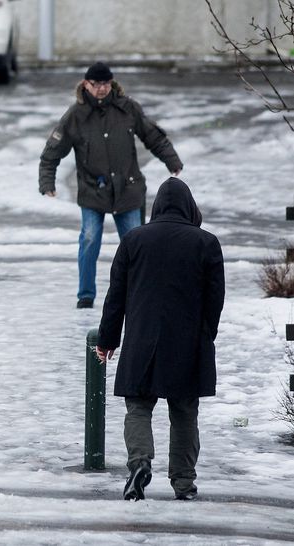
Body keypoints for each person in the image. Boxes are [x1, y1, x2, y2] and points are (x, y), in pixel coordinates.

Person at [95, 177, 225, 501]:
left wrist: (107, 340)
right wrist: (206, 334)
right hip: (187, 342)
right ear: (190, 207)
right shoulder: (206, 243)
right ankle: (184, 483)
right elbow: (215, 298)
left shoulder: (133, 240)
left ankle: (139, 463)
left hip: (142, 340)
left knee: (138, 407)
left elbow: (116, 296)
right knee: (184, 413)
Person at [38, 61, 184, 309]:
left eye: (106, 83)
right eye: (96, 84)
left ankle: (138, 292)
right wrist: (47, 182)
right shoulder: (76, 115)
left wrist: (172, 160)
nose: (102, 89)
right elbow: (53, 151)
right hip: (93, 190)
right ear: (86, 84)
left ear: (112, 83)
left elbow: (152, 135)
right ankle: (86, 295)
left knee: (136, 243)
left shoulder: (127, 108)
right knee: (90, 238)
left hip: (128, 189)